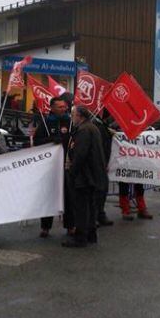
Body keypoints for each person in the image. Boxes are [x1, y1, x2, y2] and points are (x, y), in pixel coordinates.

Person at [62, 105, 108, 248]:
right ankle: (90, 235)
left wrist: (72, 172)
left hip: (84, 176)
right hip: (91, 175)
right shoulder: (91, 128)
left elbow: (80, 154)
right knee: (90, 207)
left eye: (73, 114)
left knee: (82, 208)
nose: (71, 117)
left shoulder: (84, 130)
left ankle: (81, 237)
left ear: (80, 116)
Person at [34, 97, 73, 238]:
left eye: (65, 106)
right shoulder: (45, 123)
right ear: (52, 108)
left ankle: (70, 226)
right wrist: (50, 140)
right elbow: (37, 142)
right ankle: (45, 226)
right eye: (60, 107)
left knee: (68, 197)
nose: (64, 109)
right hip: (49, 167)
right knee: (48, 196)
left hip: (66, 165)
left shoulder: (70, 122)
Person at [92, 110, 115, 227]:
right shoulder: (95, 124)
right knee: (97, 191)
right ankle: (94, 216)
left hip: (104, 162)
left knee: (103, 190)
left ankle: (100, 214)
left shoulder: (103, 124)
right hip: (97, 163)